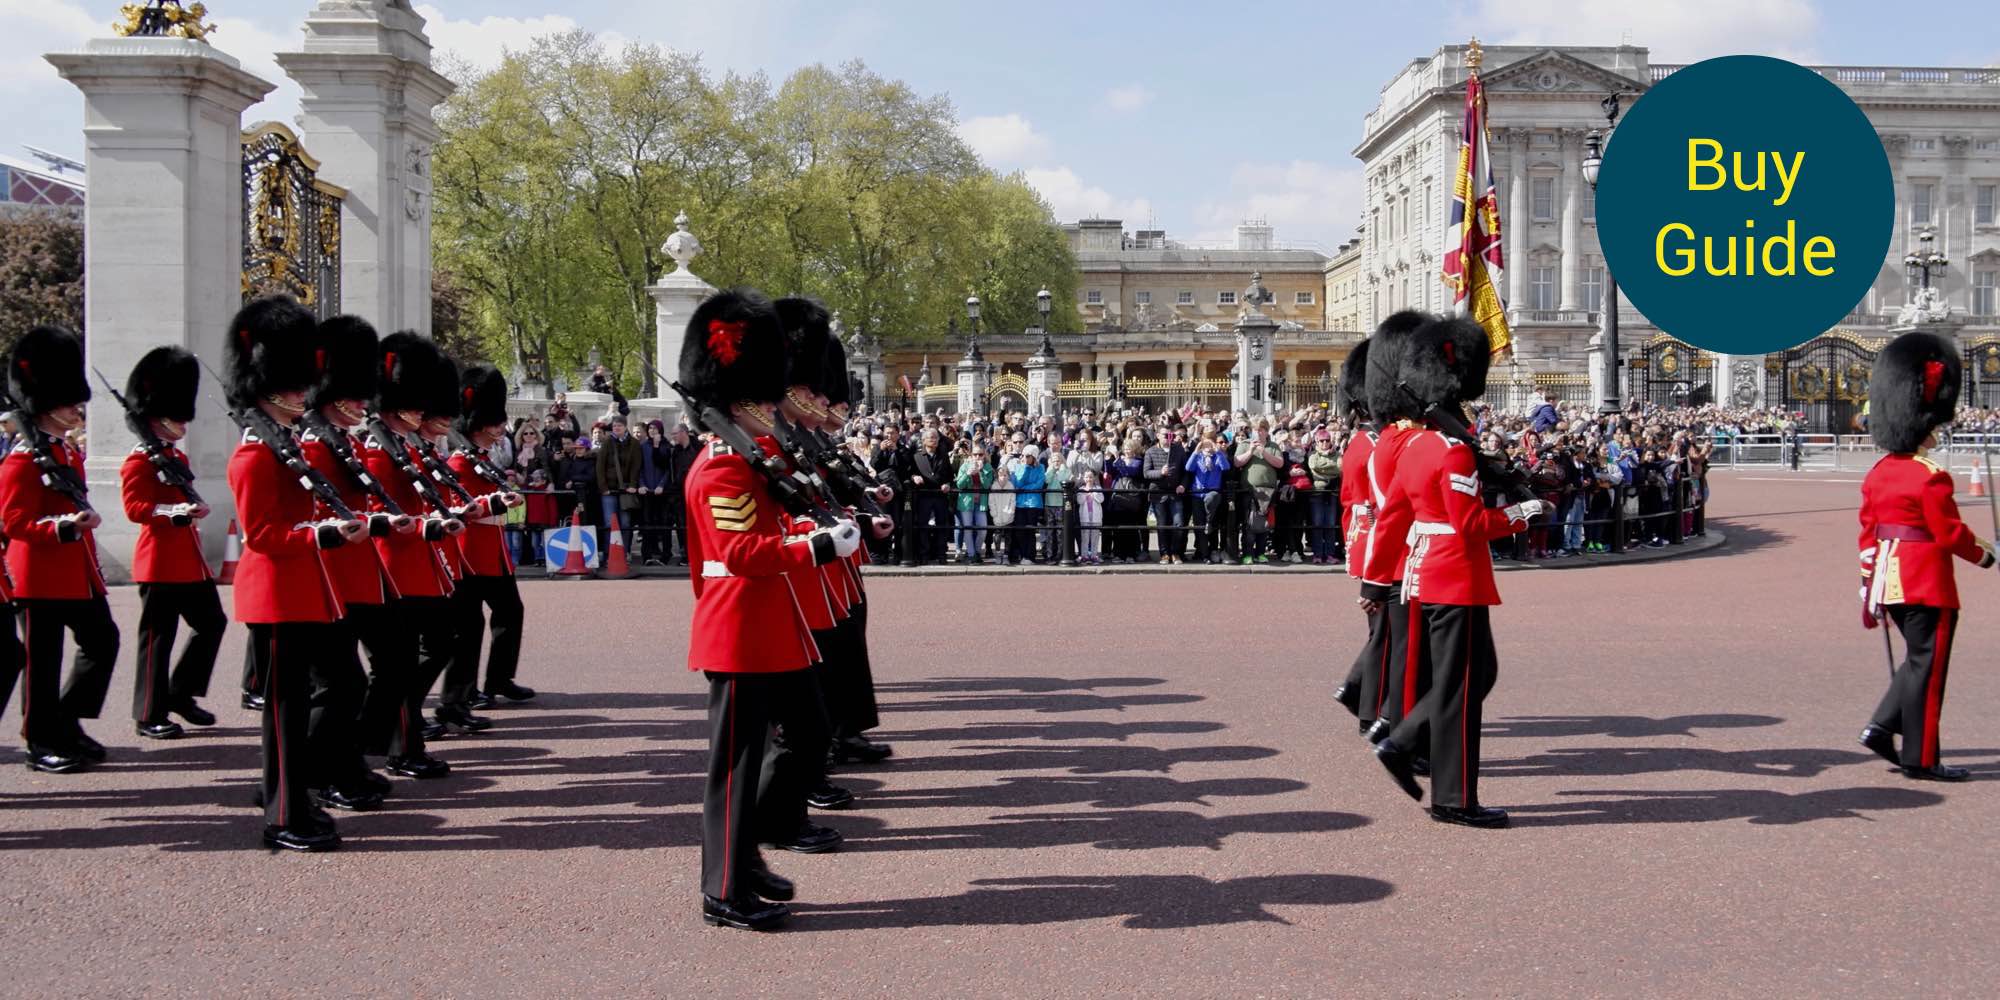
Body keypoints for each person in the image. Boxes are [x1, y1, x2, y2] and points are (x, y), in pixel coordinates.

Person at [679, 287, 860, 931]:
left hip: (772, 625)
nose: (768, 409)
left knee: (806, 735)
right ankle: (723, 888)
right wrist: (814, 545)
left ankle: (748, 856)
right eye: (758, 398)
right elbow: (743, 552)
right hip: (739, 629)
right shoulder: (720, 467)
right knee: (734, 765)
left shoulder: (755, 459)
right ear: (736, 402)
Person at [1373, 315, 1544, 829]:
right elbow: (1469, 525)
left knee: (1467, 679)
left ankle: (1408, 746)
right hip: (1457, 575)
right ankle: (1452, 796)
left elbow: (1395, 516)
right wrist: (1522, 514)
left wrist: (1378, 577)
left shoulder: (1416, 448)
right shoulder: (1451, 454)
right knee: (1462, 692)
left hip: (1425, 571)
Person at [224, 296, 369, 850]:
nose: (303, 394)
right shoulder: (255, 454)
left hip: (310, 590)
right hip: (278, 596)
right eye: (291, 384)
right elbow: (262, 535)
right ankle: (284, 814)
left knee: (344, 684)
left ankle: (298, 787)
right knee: (283, 714)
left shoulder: (285, 446)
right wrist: (329, 534)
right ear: (266, 385)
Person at [1858, 332, 1993, 782]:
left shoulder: (1878, 474)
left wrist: (1869, 579)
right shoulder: (1930, 477)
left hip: (1888, 579)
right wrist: (1987, 555)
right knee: (1930, 669)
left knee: (1919, 660)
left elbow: (1868, 531)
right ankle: (1921, 757)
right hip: (1926, 580)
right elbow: (1948, 533)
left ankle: (1882, 727)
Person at [296, 314, 404, 807]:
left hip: (358, 572)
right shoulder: (314, 445)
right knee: (338, 684)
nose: (364, 403)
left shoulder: (346, 442)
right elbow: (313, 511)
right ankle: (325, 770)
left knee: (371, 672)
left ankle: (347, 761)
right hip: (332, 574)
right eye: (356, 393)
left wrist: (381, 518)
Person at [1, 326, 117, 773]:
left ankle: (66, 720)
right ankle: (40, 738)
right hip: (39, 573)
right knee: (42, 663)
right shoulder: (21, 460)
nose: (77, 408)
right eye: (69, 402)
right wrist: (64, 527)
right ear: (45, 403)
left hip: (76, 570)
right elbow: (14, 522)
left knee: (102, 641)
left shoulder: (64, 453)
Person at [361, 333, 476, 771]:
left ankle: (392, 734)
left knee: (436, 646)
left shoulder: (408, 446)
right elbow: (376, 510)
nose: (420, 411)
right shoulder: (377, 449)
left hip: (424, 562)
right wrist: (426, 524)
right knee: (406, 660)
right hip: (398, 566)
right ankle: (400, 744)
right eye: (411, 403)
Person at [118, 346, 224, 740]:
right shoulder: (140, 461)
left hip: (188, 559)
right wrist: (173, 513)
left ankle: (180, 692)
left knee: (212, 624)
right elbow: (135, 508)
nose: (183, 423)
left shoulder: (171, 456)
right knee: (157, 640)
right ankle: (149, 713)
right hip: (160, 559)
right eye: (176, 416)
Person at [449, 364, 534, 709]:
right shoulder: (459, 462)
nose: (500, 427)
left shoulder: (482, 457)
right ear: (478, 423)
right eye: (495, 421)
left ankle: (499, 679)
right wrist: (497, 501)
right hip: (470, 552)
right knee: (469, 626)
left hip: (494, 550)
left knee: (511, 613)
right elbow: (461, 505)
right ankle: (464, 692)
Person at [596, 415, 642, 554]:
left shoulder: (633, 443)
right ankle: (609, 553)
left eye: (619, 426)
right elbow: (600, 465)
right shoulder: (607, 441)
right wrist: (603, 487)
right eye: (614, 426)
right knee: (609, 523)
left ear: (625, 426)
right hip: (609, 488)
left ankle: (625, 552)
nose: (616, 428)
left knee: (625, 523)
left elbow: (636, 465)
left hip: (626, 488)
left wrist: (633, 484)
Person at [1144, 426, 1190, 563]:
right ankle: (1164, 553)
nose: (1167, 437)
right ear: (1158, 435)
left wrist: (1183, 485)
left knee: (1179, 523)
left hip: (1175, 493)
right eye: (1164, 435)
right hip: (1158, 494)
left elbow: (1186, 471)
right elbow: (1146, 473)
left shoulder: (1179, 449)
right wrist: (1160, 473)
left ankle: (1175, 552)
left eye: (1170, 435)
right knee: (1162, 525)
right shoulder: (1150, 451)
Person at [910, 428, 954, 564]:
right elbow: (910, 473)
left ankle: (941, 554)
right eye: (930, 437)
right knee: (923, 526)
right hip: (924, 496)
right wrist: (914, 477)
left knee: (942, 525)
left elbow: (950, 476)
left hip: (940, 496)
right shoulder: (916, 457)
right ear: (923, 441)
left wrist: (948, 484)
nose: (934, 440)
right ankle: (924, 555)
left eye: (936, 437)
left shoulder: (944, 455)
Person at [637, 419, 673, 566]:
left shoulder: (666, 446)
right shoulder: (643, 446)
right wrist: (641, 484)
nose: (652, 431)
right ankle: (647, 554)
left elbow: (667, 469)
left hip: (661, 491)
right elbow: (639, 468)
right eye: (650, 428)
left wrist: (662, 485)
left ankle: (666, 554)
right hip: (647, 490)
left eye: (654, 428)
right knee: (646, 523)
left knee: (664, 523)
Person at [1008, 445, 1046, 565]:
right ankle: (1023, 555)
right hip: (1019, 503)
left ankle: (1030, 557)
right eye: (1023, 455)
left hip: (1033, 503)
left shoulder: (1040, 468)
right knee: (1019, 531)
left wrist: (1024, 489)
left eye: (1028, 456)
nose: (1024, 457)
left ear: (1034, 457)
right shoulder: (1018, 466)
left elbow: (1039, 484)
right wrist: (1024, 467)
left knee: (1030, 531)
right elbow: (1017, 484)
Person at [955, 450, 993, 564]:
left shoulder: (988, 467)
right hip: (966, 502)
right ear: (971, 456)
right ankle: (971, 554)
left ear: (984, 455)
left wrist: (981, 471)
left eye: (980, 454)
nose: (977, 457)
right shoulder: (965, 466)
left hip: (981, 503)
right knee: (968, 529)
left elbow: (987, 486)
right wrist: (968, 474)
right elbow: (959, 485)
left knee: (983, 529)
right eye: (975, 454)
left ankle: (976, 551)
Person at [1076, 467, 1104, 565]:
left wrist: (1093, 493)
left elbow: (1101, 499)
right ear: (1084, 478)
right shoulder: (1081, 489)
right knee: (1085, 538)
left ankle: (1093, 555)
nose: (1089, 479)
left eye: (1091, 477)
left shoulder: (1098, 488)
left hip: (1096, 517)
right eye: (1087, 477)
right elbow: (1079, 501)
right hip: (1085, 517)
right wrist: (1086, 493)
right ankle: (1084, 555)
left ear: (1094, 478)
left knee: (1095, 537)